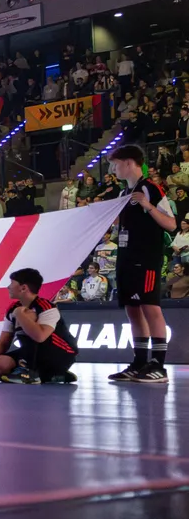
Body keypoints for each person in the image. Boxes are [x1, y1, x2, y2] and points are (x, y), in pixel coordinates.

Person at [101, 144, 175, 382]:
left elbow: (171, 224)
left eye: (116, 164)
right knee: (133, 310)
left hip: (146, 259)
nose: (113, 169)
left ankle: (159, 365)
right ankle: (140, 361)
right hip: (126, 258)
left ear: (129, 163)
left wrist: (148, 206)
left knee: (150, 308)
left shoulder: (151, 188)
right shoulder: (123, 195)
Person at [0, 268, 78, 384]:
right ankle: (51, 375)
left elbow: (40, 336)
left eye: (11, 284)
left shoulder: (46, 307)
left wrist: (20, 315)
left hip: (61, 354)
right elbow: (4, 341)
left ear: (23, 288)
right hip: (34, 355)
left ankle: (30, 372)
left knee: (28, 317)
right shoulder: (12, 309)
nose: (8, 287)